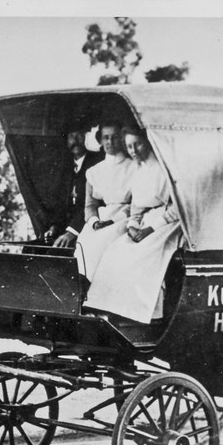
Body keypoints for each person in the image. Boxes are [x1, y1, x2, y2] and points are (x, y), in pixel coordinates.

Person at [84, 126, 183, 324]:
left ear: (148, 143)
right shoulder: (139, 170)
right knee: (116, 251)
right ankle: (114, 310)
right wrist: (132, 225)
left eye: (138, 144)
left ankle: (147, 314)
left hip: (167, 223)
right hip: (145, 221)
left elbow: (179, 207)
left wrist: (149, 229)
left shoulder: (166, 169)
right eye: (129, 146)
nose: (133, 151)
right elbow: (136, 206)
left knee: (142, 256)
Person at [72, 120, 136, 279]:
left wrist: (114, 220)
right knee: (85, 245)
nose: (110, 142)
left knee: (109, 245)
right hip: (101, 218)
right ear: (100, 140)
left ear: (122, 139)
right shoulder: (94, 171)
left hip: (127, 217)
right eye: (106, 137)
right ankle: (86, 287)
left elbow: (138, 204)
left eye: (115, 137)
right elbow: (90, 205)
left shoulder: (135, 167)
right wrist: (94, 222)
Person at [46, 128, 104, 249]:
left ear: (86, 136)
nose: (75, 141)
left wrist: (72, 232)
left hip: (89, 226)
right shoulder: (65, 166)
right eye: (71, 136)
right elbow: (60, 202)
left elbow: (94, 204)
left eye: (79, 135)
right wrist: (54, 227)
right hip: (67, 228)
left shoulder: (97, 162)